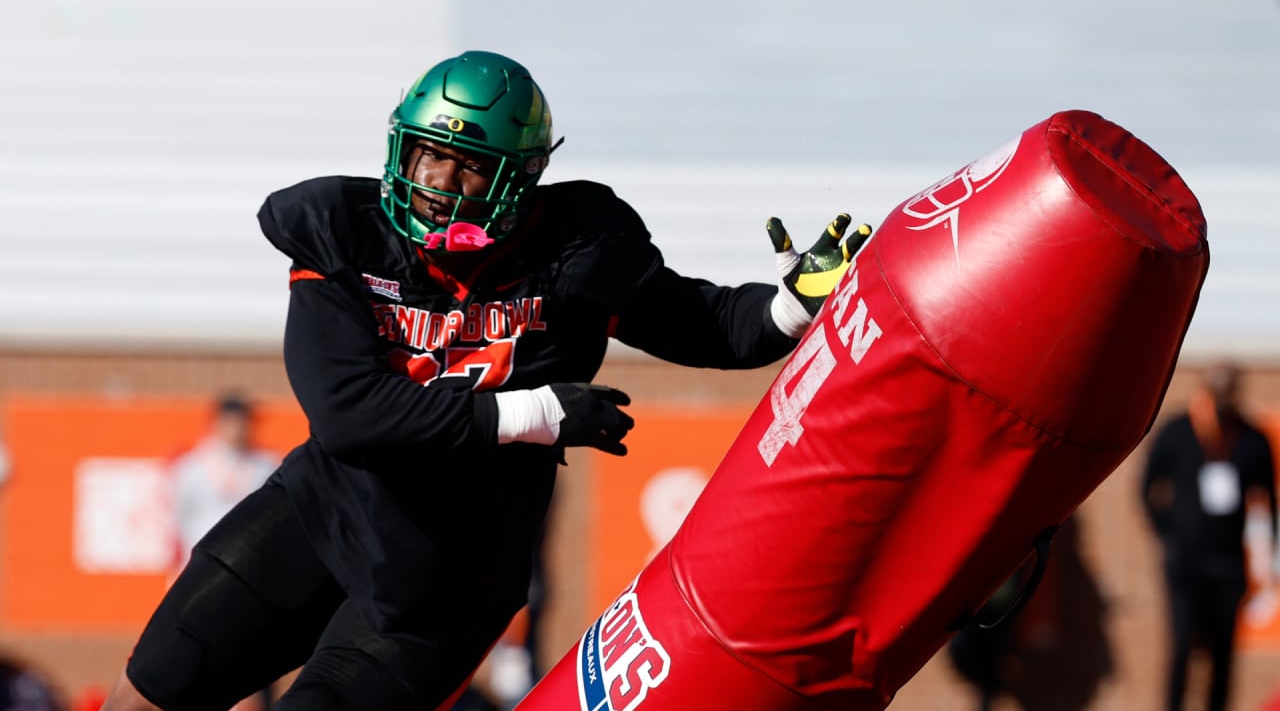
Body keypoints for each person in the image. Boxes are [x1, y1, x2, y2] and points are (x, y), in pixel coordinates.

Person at [101, 50, 871, 711]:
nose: (438, 180)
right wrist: (532, 412)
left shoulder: (579, 249)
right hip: (318, 515)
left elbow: (702, 323)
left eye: (469, 165)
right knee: (152, 689)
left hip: (442, 583)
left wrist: (786, 309)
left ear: (523, 177)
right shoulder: (341, 230)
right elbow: (349, 417)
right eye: (427, 154)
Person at [1141, 359, 1279, 711]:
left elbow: (1268, 501)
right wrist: (1166, 534)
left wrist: (1271, 557)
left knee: (1222, 653)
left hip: (1228, 564)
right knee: (1183, 645)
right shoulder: (1178, 431)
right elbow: (1148, 486)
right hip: (1185, 563)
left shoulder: (1251, 439)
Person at [169, 393, 279, 571]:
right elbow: (179, 515)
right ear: (218, 424)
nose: (239, 428)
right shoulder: (193, 467)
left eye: (243, 422)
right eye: (233, 422)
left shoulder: (265, 465)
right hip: (200, 561)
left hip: (248, 561)